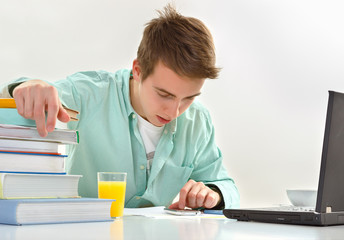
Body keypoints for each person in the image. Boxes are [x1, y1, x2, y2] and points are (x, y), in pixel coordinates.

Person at [1, 5, 240, 210]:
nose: (175, 111)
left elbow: (226, 186)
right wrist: (27, 87)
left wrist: (213, 194)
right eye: (164, 94)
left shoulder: (198, 121)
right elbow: (38, 93)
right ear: (138, 70)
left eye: (189, 98)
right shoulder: (90, 94)